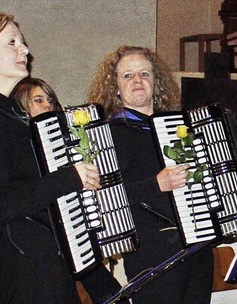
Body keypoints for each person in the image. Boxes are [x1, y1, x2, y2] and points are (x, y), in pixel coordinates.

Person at [0, 12, 107, 303]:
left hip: (37, 260)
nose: (25, 50)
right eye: (12, 43)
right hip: (24, 269)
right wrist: (69, 177)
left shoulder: (8, 114)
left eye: (22, 42)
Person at [87, 45, 214, 304]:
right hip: (152, 252)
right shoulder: (107, 134)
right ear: (115, 86)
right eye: (127, 75)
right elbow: (103, 198)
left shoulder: (179, 126)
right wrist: (156, 184)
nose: (137, 81)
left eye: (144, 74)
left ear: (156, 81)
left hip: (197, 245)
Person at [11, 76, 126, 303]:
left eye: (50, 100)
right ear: (22, 107)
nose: (47, 106)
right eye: (38, 100)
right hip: (43, 248)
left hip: (74, 233)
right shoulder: (19, 152)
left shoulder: (67, 144)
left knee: (113, 294)